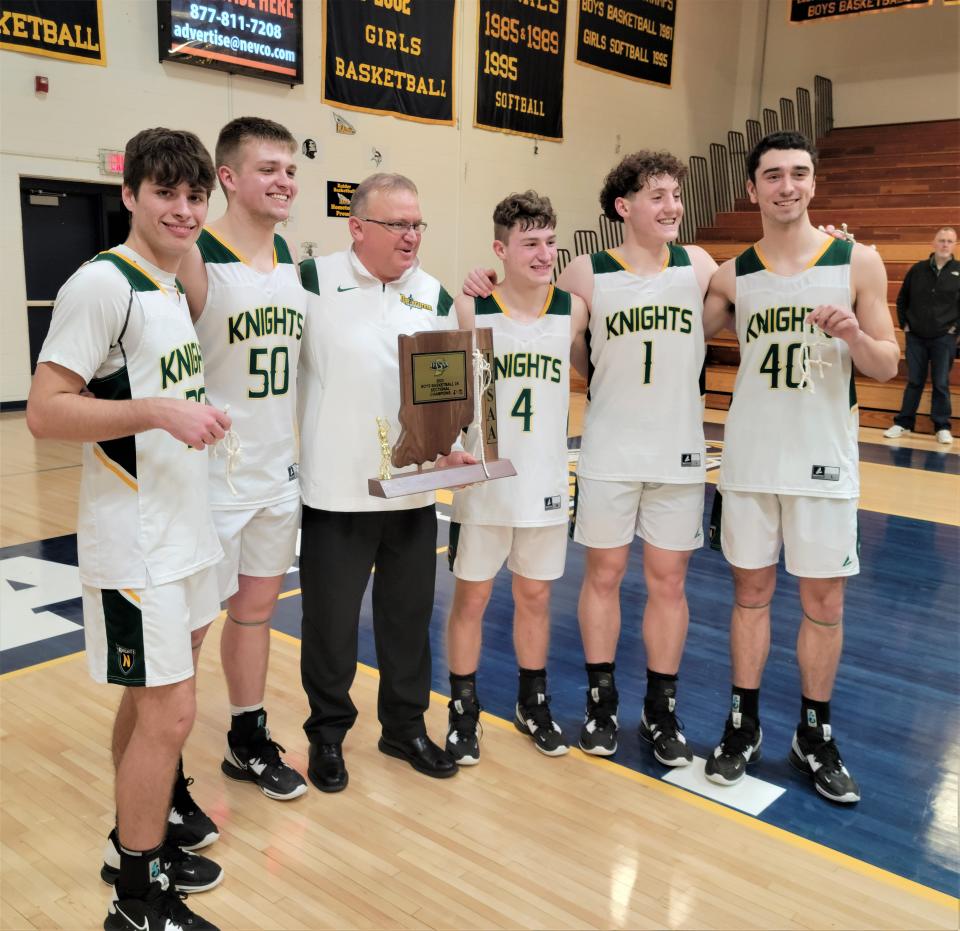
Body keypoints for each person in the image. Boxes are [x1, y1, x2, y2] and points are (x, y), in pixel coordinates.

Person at [27, 128, 227, 931]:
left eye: (193, 195)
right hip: (134, 537)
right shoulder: (99, 285)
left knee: (155, 707)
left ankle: (130, 844)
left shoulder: (171, 281)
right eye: (165, 193)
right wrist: (157, 411)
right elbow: (45, 410)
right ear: (130, 196)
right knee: (169, 715)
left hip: (186, 528)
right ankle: (137, 900)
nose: (182, 209)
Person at [469, 152, 716, 763]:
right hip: (608, 450)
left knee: (669, 582)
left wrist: (832, 239)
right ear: (623, 207)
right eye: (657, 195)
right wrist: (485, 283)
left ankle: (661, 712)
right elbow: (552, 331)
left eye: (676, 195)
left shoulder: (702, 265)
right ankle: (601, 704)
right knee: (602, 578)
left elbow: (773, 277)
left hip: (680, 455)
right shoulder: (586, 272)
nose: (672, 206)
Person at [702, 131, 899, 804]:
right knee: (749, 594)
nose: (787, 186)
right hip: (751, 459)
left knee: (823, 602)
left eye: (799, 174)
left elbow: (888, 364)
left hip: (823, 462)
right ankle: (742, 722)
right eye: (774, 175)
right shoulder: (732, 276)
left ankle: (813, 732)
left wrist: (851, 332)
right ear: (752, 188)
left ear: (814, 184)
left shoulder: (858, 262)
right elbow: (681, 326)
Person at [297, 172, 471, 791]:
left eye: (417, 223)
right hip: (336, 491)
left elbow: (446, 394)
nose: (411, 235)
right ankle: (327, 735)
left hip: (412, 491)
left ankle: (403, 727)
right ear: (358, 227)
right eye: (398, 224)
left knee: (406, 620)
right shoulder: (311, 282)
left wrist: (454, 449)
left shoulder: (435, 294)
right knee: (330, 625)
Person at [179, 116, 308, 801]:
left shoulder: (294, 261)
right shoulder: (195, 256)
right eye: (268, 168)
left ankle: (245, 736)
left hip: (275, 473)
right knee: (191, 627)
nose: (284, 180)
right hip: (210, 478)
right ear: (227, 177)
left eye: (290, 169)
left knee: (256, 610)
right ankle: (162, 765)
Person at [444, 191, 588, 764]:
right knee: (471, 600)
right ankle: (463, 711)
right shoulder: (470, 307)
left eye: (550, 241)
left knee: (534, 596)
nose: (543, 253)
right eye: (529, 243)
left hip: (548, 481)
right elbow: (449, 394)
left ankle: (533, 704)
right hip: (486, 482)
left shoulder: (573, 309)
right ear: (500, 249)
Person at [883, 227, 959, 445]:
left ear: (954, 245)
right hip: (916, 336)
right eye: (941, 240)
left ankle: (942, 426)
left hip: (944, 338)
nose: (945, 244)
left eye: (949, 241)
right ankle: (903, 422)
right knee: (914, 381)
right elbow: (902, 299)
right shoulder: (918, 269)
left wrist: (955, 329)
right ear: (933, 243)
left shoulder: (958, 271)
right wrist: (905, 324)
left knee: (941, 383)